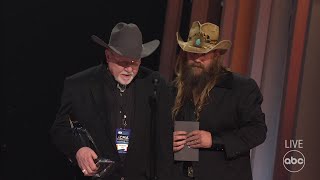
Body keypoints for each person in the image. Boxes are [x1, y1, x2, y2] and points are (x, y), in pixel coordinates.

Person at [51, 22, 173, 180]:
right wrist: (78, 150)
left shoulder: (155, 84)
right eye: (123, 62)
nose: (129, 69)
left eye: (135, 62)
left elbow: (164, 143)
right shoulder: (80, 85)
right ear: (108, 56)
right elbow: (59, 128)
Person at [171, 21, 267, 180]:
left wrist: (214, 141)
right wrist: (169, 139)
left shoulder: (240, 88)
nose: (197, 59)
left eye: (204, 54)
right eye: (193, 53)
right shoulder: (173, 90)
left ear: (216, 55)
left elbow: (257, 131)